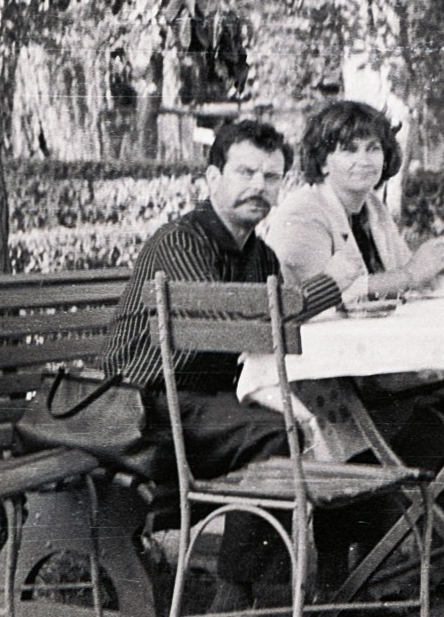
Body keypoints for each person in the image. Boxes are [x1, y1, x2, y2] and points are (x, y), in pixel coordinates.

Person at [101, 118, 368, 613]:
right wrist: (329, 284)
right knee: (277, 431)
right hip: (145, 405)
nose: (257, 188)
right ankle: (236, 598)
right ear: (211, 178)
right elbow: (232, 324)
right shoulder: (182, 242)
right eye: (245, 173)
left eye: (271, 178)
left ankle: (337, 574)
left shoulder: (259, 254)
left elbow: (269, 330)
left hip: (209, 401)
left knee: (341, 414)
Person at [260, 100, 444, 593]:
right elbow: (331, 296)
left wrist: (437, 267)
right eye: (347, 150)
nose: (364, 159)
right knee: (422, 430)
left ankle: (429, 557)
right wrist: (413, 273)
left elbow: (397, 284)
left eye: (373, 147)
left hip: (370, 370)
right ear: (321, 159)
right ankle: (347, 569)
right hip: (315, 382)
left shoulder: (372, 208)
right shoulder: (302, 213)